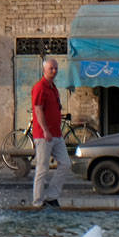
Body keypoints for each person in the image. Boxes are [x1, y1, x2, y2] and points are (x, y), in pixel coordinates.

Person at [30, 57, 67, 208]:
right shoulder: (40, 87)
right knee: (42, 167)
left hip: (56, 134)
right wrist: (45, 130)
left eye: (56, 68)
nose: (54, 71)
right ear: (44, 70)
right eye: (51, 68)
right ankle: (38, 202)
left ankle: (51, 196)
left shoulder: (54, 88)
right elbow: (38, 110)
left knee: (65, 163)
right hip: (44, 135)